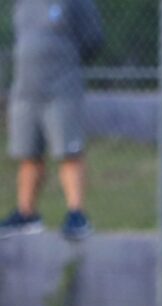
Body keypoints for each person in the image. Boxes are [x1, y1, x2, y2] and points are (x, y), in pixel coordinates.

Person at [0, 0, 104, 241]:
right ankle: (27, 213)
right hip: (26, 90)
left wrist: (63, 59)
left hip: (62, 88)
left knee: (69, 152)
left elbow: (93, 40)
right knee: (28, 155)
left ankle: (76, 214)